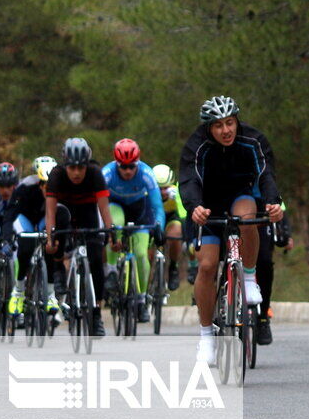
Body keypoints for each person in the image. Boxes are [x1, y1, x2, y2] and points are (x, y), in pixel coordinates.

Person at [179, 96, 284, 364]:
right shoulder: (197, 146)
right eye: (218, 126)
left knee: (247, 216)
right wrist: (195, 207)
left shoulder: (253, 139)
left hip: (241, 196)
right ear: (208, 128)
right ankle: (205, 336)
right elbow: (190, 180)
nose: (225, 131)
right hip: (208, 206)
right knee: (207, 266)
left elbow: (266, 174)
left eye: (230, 123)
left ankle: (248, 279)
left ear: (237, 121)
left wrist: (274, 202)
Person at [45, 138, 114, 337]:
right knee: (58, 227)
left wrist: (111, 234)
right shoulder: (56, 175)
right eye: (72, 168)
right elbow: (50, 212)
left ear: (87, 165)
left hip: (87, 213)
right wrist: (50, 238)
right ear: (65, 165)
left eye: (80, 168)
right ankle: (58, 267)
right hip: (64, 211)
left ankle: (96, 313)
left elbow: (104, 208)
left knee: (95, 259)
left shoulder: (95, 173)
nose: (76, 173)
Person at [102, 139, 165, 323]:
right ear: (116, 164)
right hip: (115, 206)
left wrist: (159, 225)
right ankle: (112, 271)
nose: (128, 171)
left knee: (140, 253)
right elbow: (99, 204)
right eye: (123, 167)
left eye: (132, 166)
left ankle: (141, 300)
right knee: (116, 223)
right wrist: (108, 231)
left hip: (140, 209)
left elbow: (157, 206)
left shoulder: (146, 173)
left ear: (137, 163)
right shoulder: (106, 174)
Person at [1, 156, 61, 325]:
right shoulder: (24, 187)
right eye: (46, 187)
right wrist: (7, 239)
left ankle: (50, 295)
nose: (49, 191)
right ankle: (18, 292)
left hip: (44, 218)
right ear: (40, 183)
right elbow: (10, 214)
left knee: (50, 246)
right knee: (25, 247)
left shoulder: (60, 189)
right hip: (25, 217)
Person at [254, 202, 292, 346]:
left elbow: (279, 205)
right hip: (228, 209)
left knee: (265, 261)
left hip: (260, 216)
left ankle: (263, 316)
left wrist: (286, 235)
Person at [151, 163, 187, 291]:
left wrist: (177, 198)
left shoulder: (176, 192)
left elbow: (183, 214)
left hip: (172, 218)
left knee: (175, 234)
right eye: (158, 188)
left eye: (165, 188)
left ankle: (173, 267)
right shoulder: (148, 192)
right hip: (153, 220)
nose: (162, 192)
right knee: (147, 251)